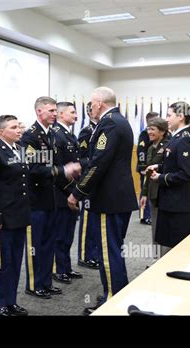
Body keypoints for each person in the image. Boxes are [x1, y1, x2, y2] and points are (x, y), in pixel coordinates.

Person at [67, 87, 138, 315]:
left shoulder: (109, 123)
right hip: (118, 198)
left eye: (91, 103)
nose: (90, 107)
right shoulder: (120, 121)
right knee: (113, 249)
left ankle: (112, 300)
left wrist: (77, 192)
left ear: (98, 103)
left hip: (110, 200)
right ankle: (118, 292)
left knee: (108, 251)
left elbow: (99, 163)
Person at [19, 96, 80, 299]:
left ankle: (45, 281)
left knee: (48, 243)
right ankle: (34, 284)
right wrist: (62, 170)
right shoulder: (30, 137)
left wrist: (62, 171)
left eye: (56, 111)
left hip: (51, 197)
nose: (55, 114)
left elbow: (50, 165)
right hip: (36, 200)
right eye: (51, 111)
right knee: (36, 245)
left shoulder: (51, 135)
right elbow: (34, 169)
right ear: (39, 112)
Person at [0, 115, 30, 316]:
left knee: (16, 260)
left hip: (19, 214)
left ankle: (11, 301)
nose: (19, 130)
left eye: (19, 126)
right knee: (2, 262)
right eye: (14, 127)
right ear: (2, 132)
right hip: (4, 217)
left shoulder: (19, 149)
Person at [148, 101, 190, 251]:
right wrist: (159, 167)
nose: (166, 119)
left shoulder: (185, 139)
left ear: (181, 116)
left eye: (169, 115)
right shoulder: (177, 138)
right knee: (168, 244)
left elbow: (186, 174)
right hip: (171, 202)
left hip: (179, 204)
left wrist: (161, 178)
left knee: (178, 248)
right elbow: (175, 165)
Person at [51, 102, 83, 284]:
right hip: (61, 193)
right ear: (61, 114)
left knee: (68, 233)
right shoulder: (57, 135)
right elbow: (60, 169)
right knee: (60, 233)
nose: (76, 116)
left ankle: (66, 267)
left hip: (71, 191)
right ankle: (58, 268)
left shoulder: (68, 135)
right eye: (72, 112)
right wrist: (72, 191)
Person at [139, 118, 169, 261]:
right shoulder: (151, 148)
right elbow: (148, 172)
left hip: (163, 193)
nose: (149, 132)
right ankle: (157, 258)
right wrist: (144, 193)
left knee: (163, 228)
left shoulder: (168, 146)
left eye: (153, 129)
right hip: (152, 192)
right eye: (148, 129)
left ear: (162, 131)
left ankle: (164, 258)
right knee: (155, 227)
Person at [77, 101, 100, 270]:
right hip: (89, 179)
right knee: (87, 221)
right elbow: (82, 158)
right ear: (90, 113)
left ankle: (94, 253)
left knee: (95, 221)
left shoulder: (102, 128)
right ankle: (85, 255)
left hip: (99, 181)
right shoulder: (87, 131)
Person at [136, 112, 159, 225]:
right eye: (156, 119)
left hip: (153, 167)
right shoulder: (145, 134)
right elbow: (141, 151)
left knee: (151, 192)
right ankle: (144, 216)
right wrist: (142, 167)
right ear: (149, 121)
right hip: (145, 168)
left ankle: (151, 215)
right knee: (145, 191)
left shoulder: (157, 133)